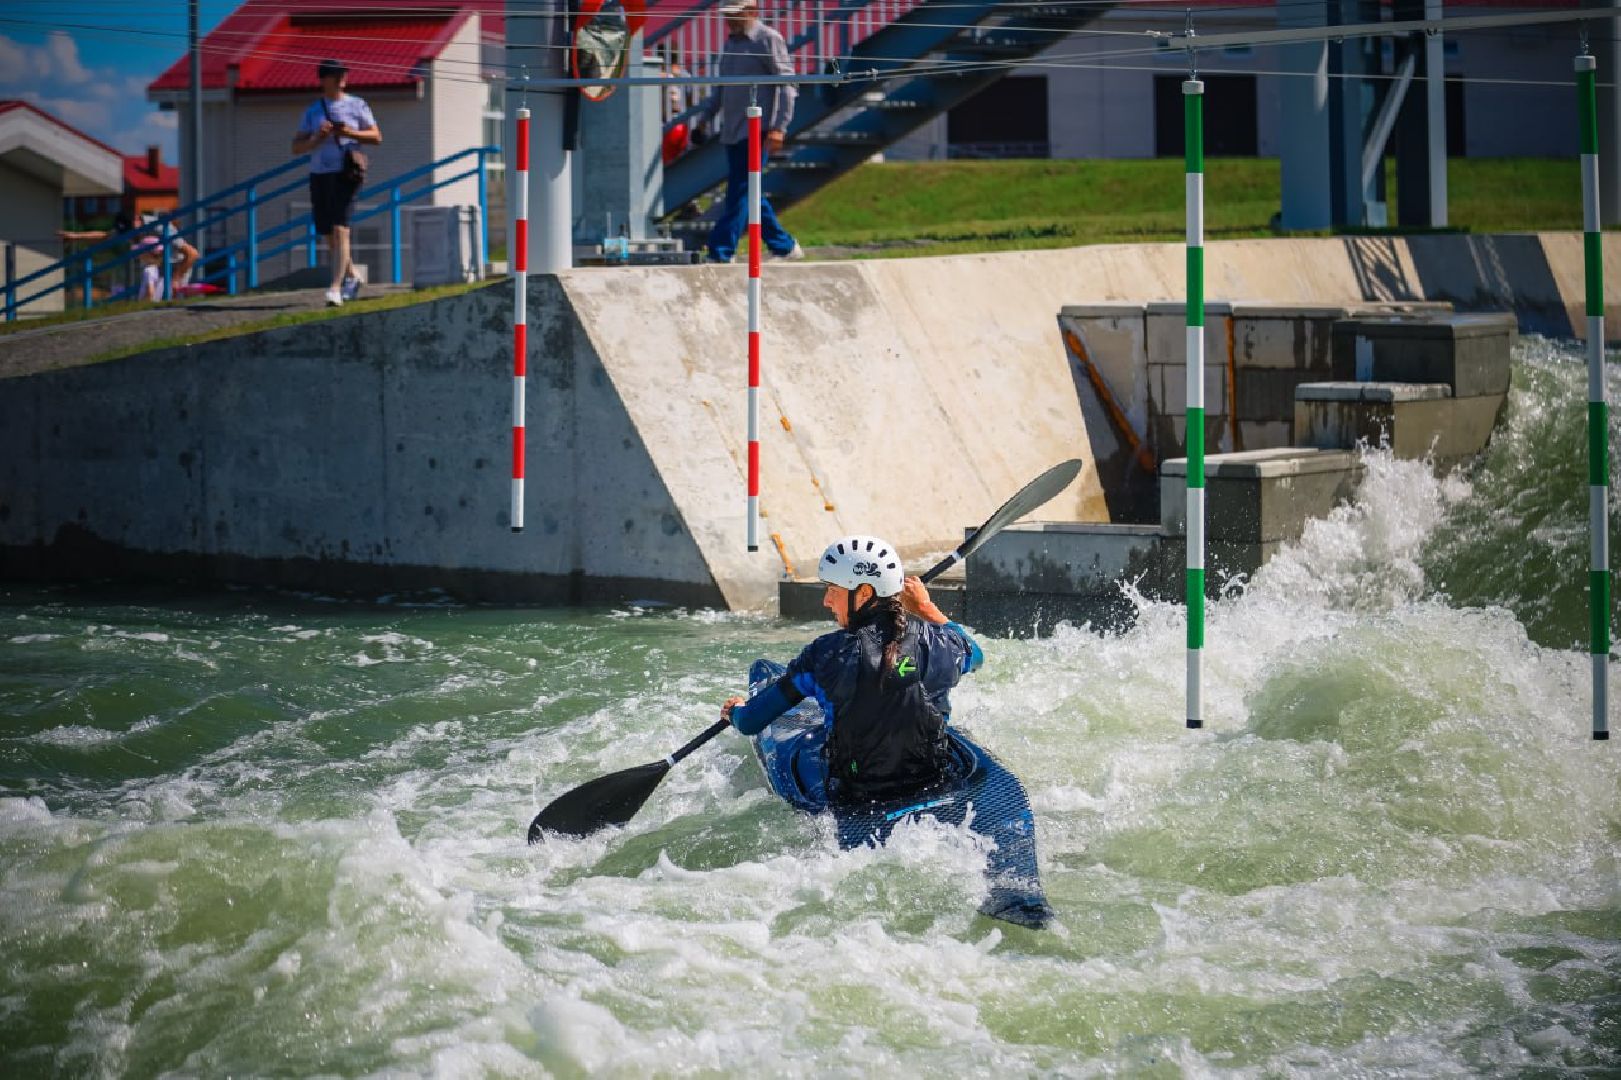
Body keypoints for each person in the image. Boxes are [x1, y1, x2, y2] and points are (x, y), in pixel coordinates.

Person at [721, 535, 984, 805]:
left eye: (833, 590)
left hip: (859, 793)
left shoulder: (824, 654)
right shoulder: (938, 643)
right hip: (931, 779)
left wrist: (736, 711)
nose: (826, 601)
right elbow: (975, 655)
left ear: (865, 593)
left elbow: (752, 722)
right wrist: (925, 608)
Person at [694, 0, 805, 265]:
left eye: (736, 14)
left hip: (757, 128)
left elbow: (788, 84)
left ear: (752, 12)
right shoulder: (731, 44)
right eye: (727, 15)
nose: (730, 20)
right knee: (749, 191)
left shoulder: (768, 39)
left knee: (740, 191)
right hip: (732, 130)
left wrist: (779, 127)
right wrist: (703, 120)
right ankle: (784, 246)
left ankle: (721, 252)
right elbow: (721, 88)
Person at [291, 59, 382, 307]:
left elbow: (376, 136)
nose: (343, 78)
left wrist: (348, 133)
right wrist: (317, 138)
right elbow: (296, 147)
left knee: (341, 228)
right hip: (320, 172)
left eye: (344, 74)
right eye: (336, 75)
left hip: (346, 172)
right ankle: (353, 276)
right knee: (327, 232)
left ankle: (335, 287)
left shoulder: (357, 104)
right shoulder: (313, 110)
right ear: (324, 79)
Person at [132, 234, 199, 302]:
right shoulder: (160, 271)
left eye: (140, 253)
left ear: (148, 254)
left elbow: (150, 292)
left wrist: (143, 303)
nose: (139, 257)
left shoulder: (148, 270)